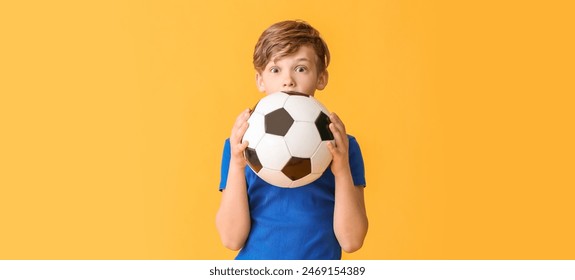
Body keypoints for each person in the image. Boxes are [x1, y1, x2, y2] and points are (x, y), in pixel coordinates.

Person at [216, 20, 368, 260]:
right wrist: (236, 164)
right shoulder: (239, 146)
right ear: (260, 80)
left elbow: (352, 241)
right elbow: (231, 238)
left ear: (321, 78)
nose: (288, 81)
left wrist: (341, 171)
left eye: (301, 68)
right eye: (276, 70)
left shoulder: (343, 146)